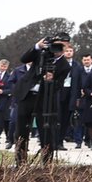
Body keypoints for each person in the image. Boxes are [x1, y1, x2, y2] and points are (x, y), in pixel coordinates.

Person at [16, 36, 72, 164]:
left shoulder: (65, 66)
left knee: (46, 130)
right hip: (27, 94)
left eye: (61, 46)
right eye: (56, 45)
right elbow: (24, 59)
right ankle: (20, 161)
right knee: (21, 129)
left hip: (45, 98)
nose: (57, 49)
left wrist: (52, 80)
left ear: (66, 48)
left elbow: (59, 86)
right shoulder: (42, 54)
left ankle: (46, 163)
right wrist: (37, 46)